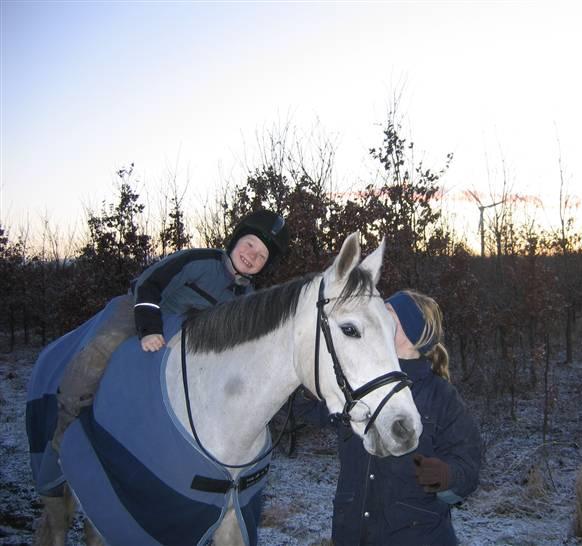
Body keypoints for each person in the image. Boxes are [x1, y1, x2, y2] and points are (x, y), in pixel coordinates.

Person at [51, 209, 290, 450]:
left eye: (261, 256)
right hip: (144, 312)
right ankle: (67, 421)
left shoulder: (247, 298)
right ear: (236, 239)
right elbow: (150, 283)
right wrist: (149, 328)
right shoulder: (199, 261)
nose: (252, 255)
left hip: (185, 340)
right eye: (250, 244)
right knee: (103, 346)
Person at [331, 290, 481, 546]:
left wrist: (447, 475)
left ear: (414, 334)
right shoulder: (358, 381)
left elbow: (469, 466)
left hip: (415, 536)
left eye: (389, 315)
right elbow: (310, 411)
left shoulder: (441, 396)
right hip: (351, 534)